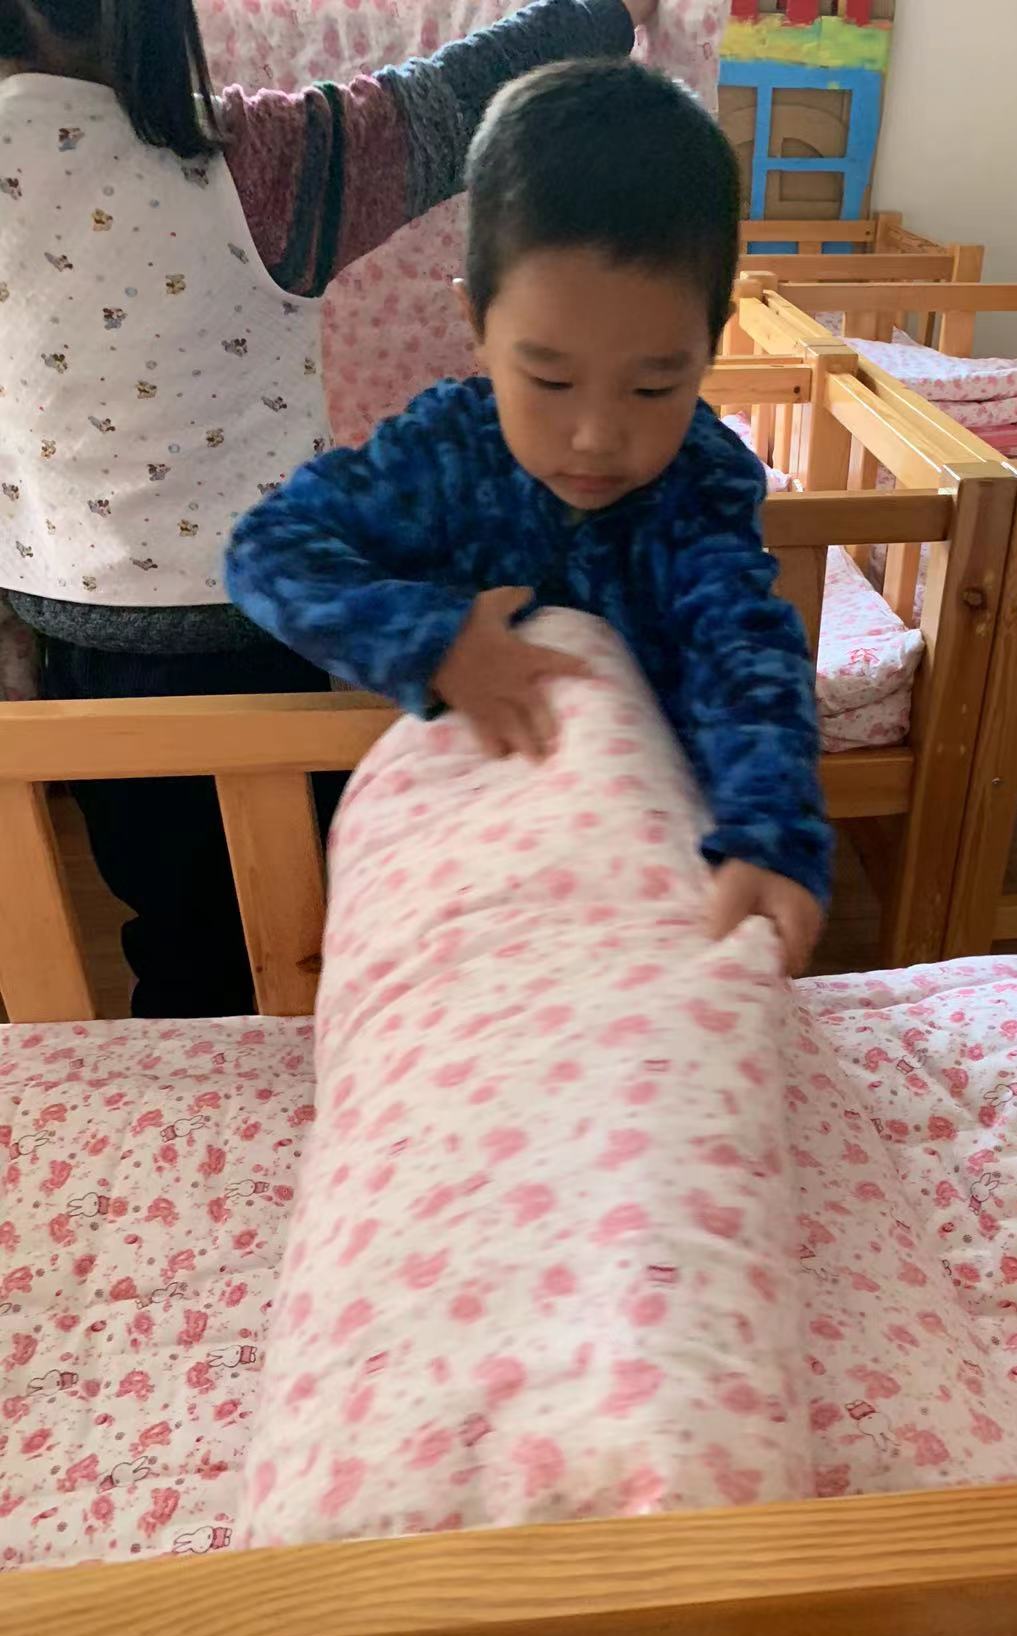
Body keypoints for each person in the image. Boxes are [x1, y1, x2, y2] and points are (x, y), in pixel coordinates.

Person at [0, 0, 652, 1018]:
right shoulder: (257, 163)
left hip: (79, 639)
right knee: (322, 912)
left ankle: (203, 1082)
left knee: (171, 926)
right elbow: (457, 99)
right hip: (272, 627)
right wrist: (606, 14)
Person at [226, 60, 832, 976]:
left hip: (640, 859)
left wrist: (771, 832)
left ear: (710, 346)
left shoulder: (699, 482)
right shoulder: (441, 453)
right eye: (548, 379)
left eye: (654, 386)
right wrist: (433, 641)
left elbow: (742, 654)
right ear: (476, 325)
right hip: (465, 864)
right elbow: (266, 550)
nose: (596, 436)